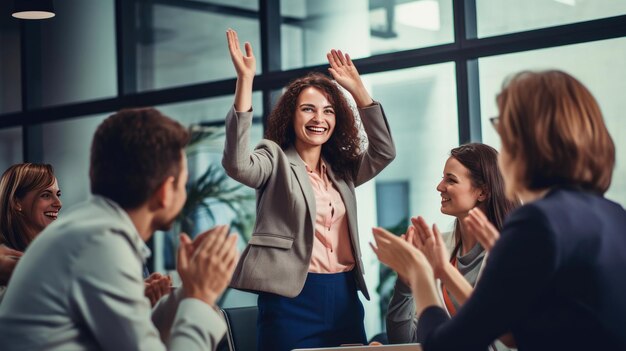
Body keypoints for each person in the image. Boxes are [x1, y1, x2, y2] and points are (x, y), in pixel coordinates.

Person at [372, 70, 626, 350]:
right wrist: (444, 269)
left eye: (504, 133)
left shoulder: (538, 221)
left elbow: (445, 345)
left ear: (527, 141)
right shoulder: (613, 214)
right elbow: (515, 334)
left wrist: (419, 272)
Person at [0, 107, 239, 350]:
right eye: (183, 183)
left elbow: (134, 337)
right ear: (166, 191)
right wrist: (200, 298)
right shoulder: (100, 243)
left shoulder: (89, 229)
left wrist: (187, 292)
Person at [223, 29, 396, 351]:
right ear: (291, 116)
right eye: (308, 109)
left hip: (344, 295)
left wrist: (359, 91)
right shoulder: (273, 160)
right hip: (291, 299)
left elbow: (384, 151)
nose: (319, 118)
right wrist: (245, 82)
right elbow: (237, 164)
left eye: (328, 110)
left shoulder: (341, 170)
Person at [386, 143, 517, 350]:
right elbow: (406, 342)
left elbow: (509, 338)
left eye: (451, 180)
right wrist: (405, 283)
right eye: (442, 177)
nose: (439, 187)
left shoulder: (512, 253)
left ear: (482, 192)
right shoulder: (439, 249)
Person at [0, 163, 62, 301]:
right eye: (46, 195)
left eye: (58, 194)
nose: (59, 203)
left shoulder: (51, 254)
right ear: (16, 202)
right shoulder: (5, 263)